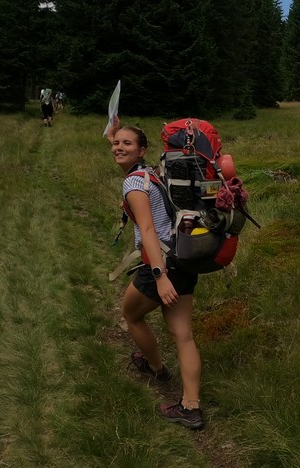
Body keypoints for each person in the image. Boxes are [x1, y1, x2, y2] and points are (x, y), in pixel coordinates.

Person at [109, 120, 205, 430]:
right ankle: (191, 407)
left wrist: (159, 276)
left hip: (160, 264)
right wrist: (115, 132)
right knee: (183, 335)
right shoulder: (153, 174)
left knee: (131, 315)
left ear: (141, 150)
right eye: (115, 143)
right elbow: (124, 148)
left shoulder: (134, 184)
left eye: (126, 143)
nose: (118, 147)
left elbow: (148, 231)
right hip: (184, 257)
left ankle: (155, 367)